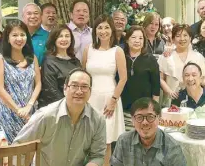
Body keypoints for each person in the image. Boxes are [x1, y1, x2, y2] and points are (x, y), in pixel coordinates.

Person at [14, 69, 106, 166]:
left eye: (84, 87)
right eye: (74, 86)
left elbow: (98, 155)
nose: (79, 91)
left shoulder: (98, 120)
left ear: (90, 91)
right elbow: (19, 148)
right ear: (65, 89)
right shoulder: (45, 115)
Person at [82, 14, 127, 166]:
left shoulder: (117, 51)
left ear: (112, 30)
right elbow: (83, 74)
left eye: (106, 27)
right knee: (89, 137)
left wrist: (113, 100)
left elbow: (123, 78)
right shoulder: (88, 50)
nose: (103, 31)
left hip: (109, 97)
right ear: (95, 31)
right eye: (99, 27)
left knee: (106, 140)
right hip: (90, 98)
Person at [0, 19, 41, 144]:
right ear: (7, 38)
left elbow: (38, 84)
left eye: (22, 34)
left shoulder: (32, 58)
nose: (19, 38)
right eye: (14, 35)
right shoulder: (0, 59)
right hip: (9, 114)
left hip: (30, 112)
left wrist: (29, 106)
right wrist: (18, 110)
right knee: (12, 152)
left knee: (30, 150)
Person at [111, 97, 187, 166]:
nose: (145, 122)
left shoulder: (172, 147)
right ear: (133, 121)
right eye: (139, 117)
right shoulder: (124, 141)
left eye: (150, 117)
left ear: (159, 119)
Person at [158, 24, 205, 108]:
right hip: (172, 99)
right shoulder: (166, 56)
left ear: (190, 38)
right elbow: (160, 78)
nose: (182, 39)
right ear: (173, 39)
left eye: (185, 35)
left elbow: (204, 78)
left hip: (194, 99)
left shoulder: (197, 56)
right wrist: (169, 92)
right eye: (178, 36)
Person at [121, 25, 160, 130]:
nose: (137, 41)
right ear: (127, 40)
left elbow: (156, 87)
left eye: (140, 38)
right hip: (123, 109)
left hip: (144, 110)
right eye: (133, 37)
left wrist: (154, 110)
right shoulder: (120, 57)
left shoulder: (150, 59)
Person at [38, 24, 81, 108]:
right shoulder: (49, 61)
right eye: (60, 36)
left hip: (75, 105)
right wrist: (68, 106)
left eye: (67, 36)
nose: (64, 39)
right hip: (56, 108)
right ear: (54, 39)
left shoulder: (75, 61)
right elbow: (51, 90)